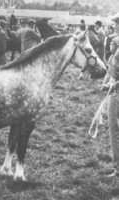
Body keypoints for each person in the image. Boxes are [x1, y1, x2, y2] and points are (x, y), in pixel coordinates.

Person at [101, 12, 119, 192]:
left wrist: (114, 85)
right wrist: (107, 82)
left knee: (114, 130)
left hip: (117, 92)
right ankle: (117, 169)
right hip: (113, 91)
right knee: (113, 130)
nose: (116, 26)